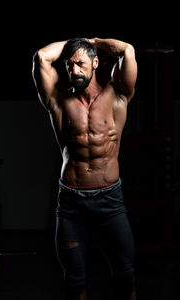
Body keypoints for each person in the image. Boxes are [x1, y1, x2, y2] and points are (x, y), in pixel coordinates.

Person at [32, 37, 137, 300]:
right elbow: (41, 58)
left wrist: (93, 42)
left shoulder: (118, 94)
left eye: (80, 63)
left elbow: (127, 50)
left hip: (110, 202)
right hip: (71, 204)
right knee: (74, 282)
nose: (74, 71)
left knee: (125, 277)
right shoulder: (58, 101)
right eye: (69, 65)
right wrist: (74, 44)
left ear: (96, 63)